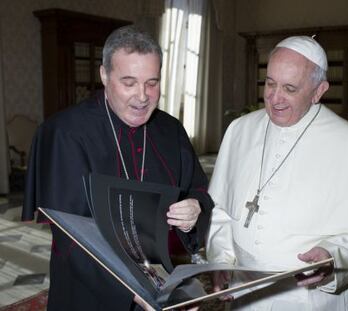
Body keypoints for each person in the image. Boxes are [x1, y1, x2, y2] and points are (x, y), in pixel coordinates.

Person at [206, 36, 348, 310]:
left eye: (290, 88)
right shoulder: (239, 130)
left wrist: (334, 258)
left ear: (318, 91)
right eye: (270, 83)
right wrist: (222, 261)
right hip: (246, 292)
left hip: (315, 299)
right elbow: (220, 210)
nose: (274, 98)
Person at [22, 25, 214, 311]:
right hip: (91, 292)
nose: (142, 96)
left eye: (152, 82)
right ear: (104, 76)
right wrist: (133, 289)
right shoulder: (65, 133)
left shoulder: (170, 130)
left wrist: (194, 210)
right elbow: (71, 237)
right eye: (129, 82)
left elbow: (197, 190)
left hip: (161, 284)